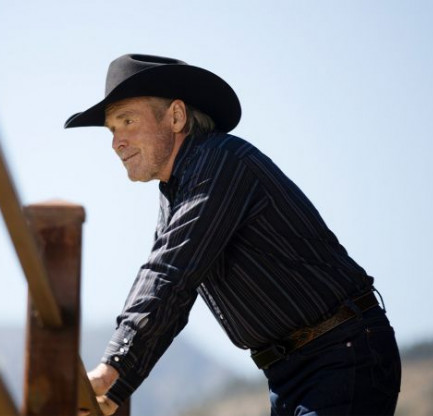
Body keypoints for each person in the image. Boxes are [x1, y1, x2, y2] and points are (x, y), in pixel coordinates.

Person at [65, 54, 401, 416]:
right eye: (112, 130)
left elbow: (169, 273)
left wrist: (113, 366)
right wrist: (117, 387)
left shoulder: (219, 162)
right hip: (293, 372)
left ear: (176, 117)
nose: (116, 142)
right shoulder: (176, 191)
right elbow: (172, 299)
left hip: (341, 354)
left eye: (128, 121)